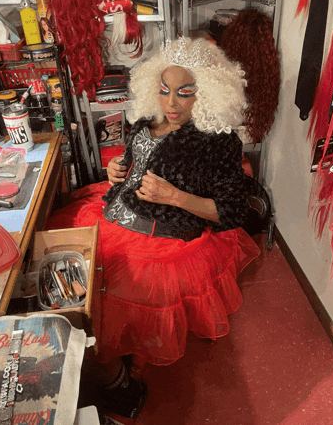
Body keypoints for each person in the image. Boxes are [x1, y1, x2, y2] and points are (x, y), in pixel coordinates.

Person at [48, 37, 260, 420]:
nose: (172, 103)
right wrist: (116, 172)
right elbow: (133, 165)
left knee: (106, 298)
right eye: (164, 91)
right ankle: (110, 369)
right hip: (112, 216)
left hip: (162, 240)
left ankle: (119, 384)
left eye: (185, 93)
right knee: (71, 283)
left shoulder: (218, 142)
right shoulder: (148, 122)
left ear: (207, 93)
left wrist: (176, 196)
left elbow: (233, 212)